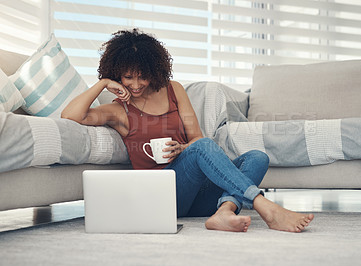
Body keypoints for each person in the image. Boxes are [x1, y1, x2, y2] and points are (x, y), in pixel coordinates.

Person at [61, 28, 314, 233]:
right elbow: (71, 115)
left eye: (142, 77)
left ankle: (224, 211)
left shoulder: (174, 90)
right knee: (203, 148)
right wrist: (103, 83)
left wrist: (183, 149)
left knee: (258, 157)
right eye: (128, 77)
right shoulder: (119, 110)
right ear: (118, 74)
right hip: (163, 197)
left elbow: (196, 140)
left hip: (198, 193)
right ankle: (265, 207)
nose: (136, 85)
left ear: (153, 71)